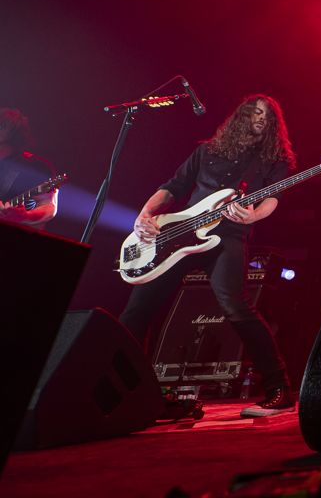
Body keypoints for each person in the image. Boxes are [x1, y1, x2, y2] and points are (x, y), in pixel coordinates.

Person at [119, 95, 296, 417]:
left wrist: (254, 216)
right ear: (239, 116)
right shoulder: (207, 151)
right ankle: (132, 391)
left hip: (226, 236)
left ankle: (279, 390)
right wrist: (144, 214)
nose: (261, 118)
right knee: (136, 310)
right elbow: (174, 186)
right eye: (255, 112)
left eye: (268, 116)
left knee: (236, 305)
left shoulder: (274, 158)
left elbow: (272, 197)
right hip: (178, 236)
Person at [0, 108, 58, 229]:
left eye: (3, 125)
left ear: (13, 133)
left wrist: (26, 216)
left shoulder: (35, 167)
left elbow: (49, 207)